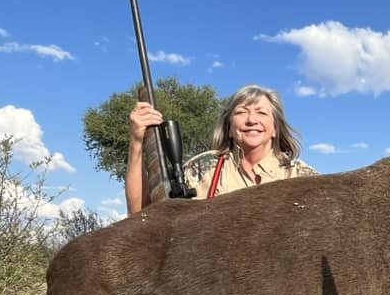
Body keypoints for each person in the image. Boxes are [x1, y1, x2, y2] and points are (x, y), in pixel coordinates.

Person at [125, 84, 317, 214]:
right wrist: (136, 143)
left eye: (262, 112)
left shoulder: (301, 176)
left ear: (275, 128)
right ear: (229, 128)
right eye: (241, 112)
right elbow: (140, 215)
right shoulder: (201, 168)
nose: (251, 120)